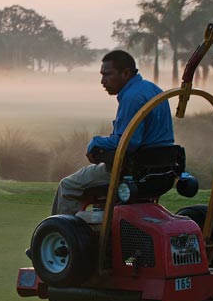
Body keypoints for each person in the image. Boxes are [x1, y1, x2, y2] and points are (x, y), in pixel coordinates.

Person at [53, 50, 174, 215]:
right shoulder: (153, 89)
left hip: (134, 170)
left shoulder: (132, 97)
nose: (103, 81)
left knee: (68, 186)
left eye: (108, 75)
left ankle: (61, 235)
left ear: (125, 73)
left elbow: (129, 142)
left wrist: (95, 142)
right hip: (160, 170)